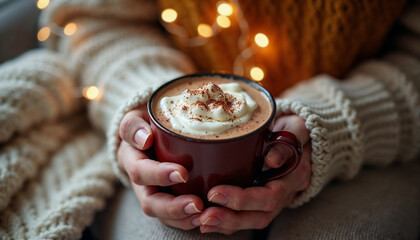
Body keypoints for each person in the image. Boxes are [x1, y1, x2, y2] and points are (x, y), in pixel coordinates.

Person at [0, 0, 419, 239]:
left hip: (373, 129)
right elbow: (93, 20)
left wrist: (341, 122)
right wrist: (143, 102)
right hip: (169, 101)